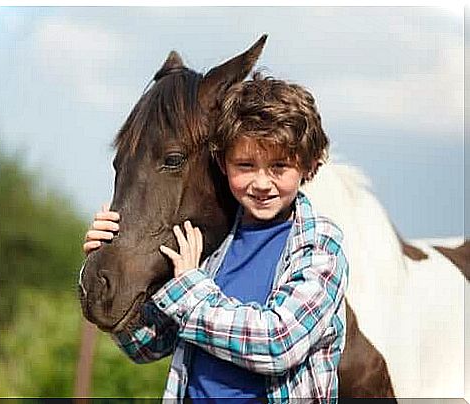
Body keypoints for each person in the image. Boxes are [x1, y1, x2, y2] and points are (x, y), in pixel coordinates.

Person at [83, 73, 349, 403]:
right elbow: (145, 345)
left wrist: (190, 290)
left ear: (308, 167)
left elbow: (278, 342)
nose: (262, 183)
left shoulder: (320, 244)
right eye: (246, 165)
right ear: (223, 164)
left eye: (279, 167)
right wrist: (108, 266)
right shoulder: (210, 246)